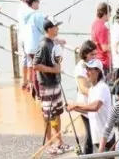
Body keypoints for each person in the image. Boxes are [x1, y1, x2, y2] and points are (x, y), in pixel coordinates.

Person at [32, 17, 72, 156]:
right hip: (46, 85)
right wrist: (53, 70)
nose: (58, 28)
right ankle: (49, 144)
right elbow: (35, 65)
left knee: (57, 113)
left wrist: (58, 41)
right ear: (49, 29)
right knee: (47, 116)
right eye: (56, 26)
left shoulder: (51, 42)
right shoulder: (43, 45)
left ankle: (59, 141)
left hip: (55, 83)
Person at [68, 58, 115, 154]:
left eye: (90, 69)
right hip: (97, 138)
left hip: (106, 138)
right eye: (86, 69)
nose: (87, 72)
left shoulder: (102, 87)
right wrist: (73, 107)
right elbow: (90, 110)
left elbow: (95, 107)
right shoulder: (93, 89)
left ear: (98, 71)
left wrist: (76, 105)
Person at [70, 40, 97, 154]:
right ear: (85, 54)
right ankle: (87, 155)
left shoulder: (94, 64)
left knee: (95, 133)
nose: (94, 56)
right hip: (85, 105)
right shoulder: (80, 68)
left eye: (95, 54)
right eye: (91, 54)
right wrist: (98, 93)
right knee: (90, 134)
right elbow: (82, 88)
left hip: (93, 103)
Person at [22, 0, 44, 97]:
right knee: (38, 70)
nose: (39, 4)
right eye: (37, 2)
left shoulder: (26, 15)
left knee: (34, 68)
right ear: (33, 3)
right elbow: (44, 29)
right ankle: (39, 93)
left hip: (28, 47)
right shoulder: (37, 15)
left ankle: (35, 90)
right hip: (36, 47)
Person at [16, 0, 34, 91]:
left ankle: (24, 81)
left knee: (24, 59)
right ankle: (30, 83)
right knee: (30, 60)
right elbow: (35, 16)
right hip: (27, 37)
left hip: (21, 36)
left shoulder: (20, 8)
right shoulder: (26, 9)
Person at [91, 2, 112, 72]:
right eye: (109, 13)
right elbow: (105, 48)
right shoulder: (103, 28)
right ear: (105, 14)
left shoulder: (94, 24)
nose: (110, 15)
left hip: (97, 60)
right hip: (104, 64)